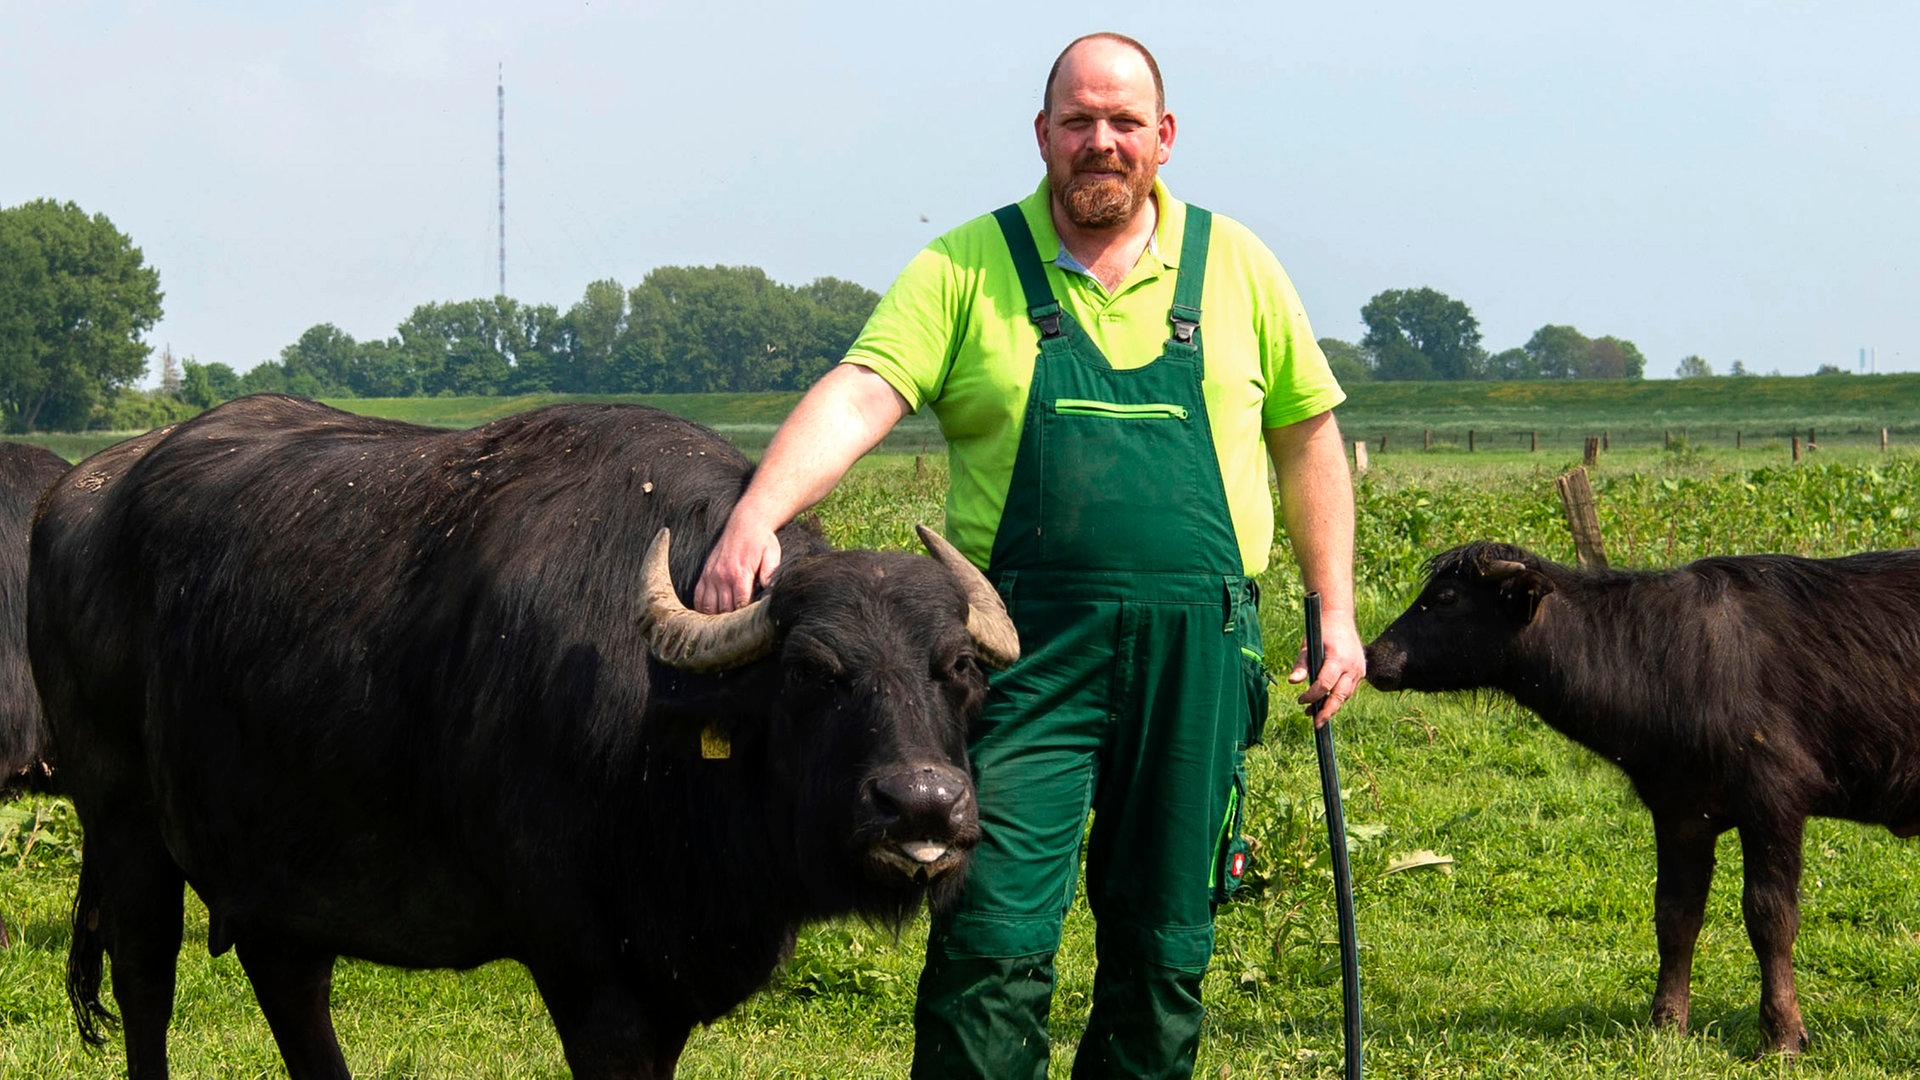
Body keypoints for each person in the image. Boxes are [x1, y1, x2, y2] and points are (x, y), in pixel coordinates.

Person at [695, 31, 1364, 1078]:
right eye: (1081, 121)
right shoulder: (967, 267)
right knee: (990, 934)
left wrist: (1337, 613)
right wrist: (756, 515)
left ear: (1166, 138)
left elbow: (1308, 435)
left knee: (1164, 944)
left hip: (1196, 654)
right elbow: (866, 388)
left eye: (1126, 123)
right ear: (1044, 133)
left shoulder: (1237, 266)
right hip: (1014, 660)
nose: (1103, 143)